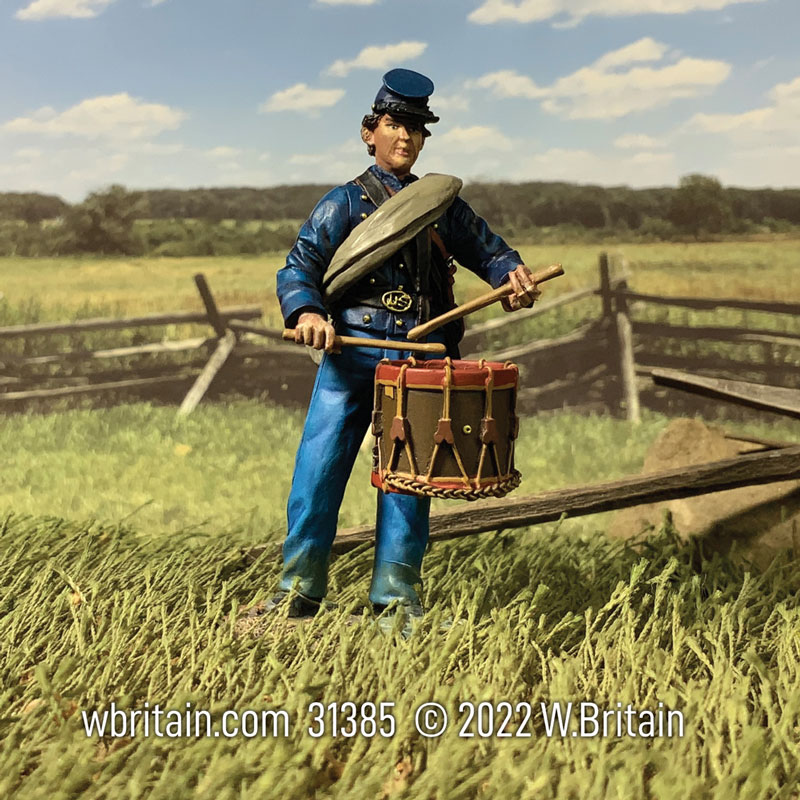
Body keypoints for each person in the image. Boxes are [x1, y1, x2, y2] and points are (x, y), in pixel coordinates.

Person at [269, 68, 539, 629]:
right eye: (394, 125)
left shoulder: (441, 204)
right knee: (318, 469)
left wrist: (511, 275)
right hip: (352, 353)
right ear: (369, 132)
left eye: (415, 130)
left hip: (419, 360)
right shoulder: (343, 203)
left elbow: (489, 253)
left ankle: (395, 600)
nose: (405, 139)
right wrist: (309, 311)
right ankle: (297, 589)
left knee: (410, 479)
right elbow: (300, 267)